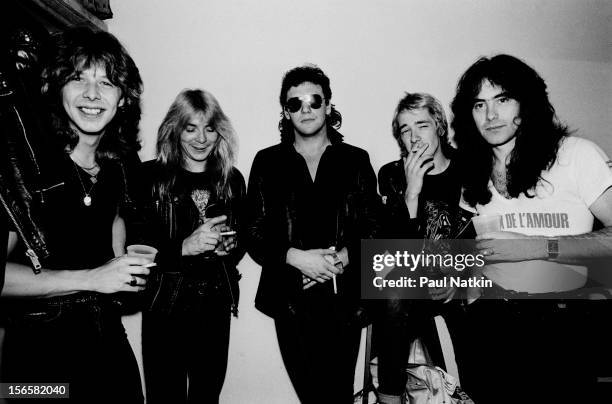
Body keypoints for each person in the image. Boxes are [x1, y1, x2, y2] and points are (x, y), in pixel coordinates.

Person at [451, 54, 612, 403]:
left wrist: (536, 247)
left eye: (502, 100)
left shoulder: (576, 155)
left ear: (527, 102)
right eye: (479, 104)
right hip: (490, 326)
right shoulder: (470, 175)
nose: (491, 115)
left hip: (563, 322)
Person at [1, 27, 146, 403]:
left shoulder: (119, 168)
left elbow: (115, 245)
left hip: (109, 350)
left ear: (123, 99)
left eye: (107, 82)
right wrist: (91, 278)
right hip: (35, 360)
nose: (93, 94)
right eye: (78, 78)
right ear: (55, 88)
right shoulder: (23, 168)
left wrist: (128, 273)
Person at [245, 64, 380, 403]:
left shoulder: (356, 160)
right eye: (295, 103)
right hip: (289, 299)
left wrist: (344, 257)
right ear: (285, 113)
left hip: (344, 296)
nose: (305, 109)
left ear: (328, 106)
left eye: (313, 101)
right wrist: (297, 259)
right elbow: (253, 230)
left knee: (337, 394)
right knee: (311, 396)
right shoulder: (266, 162)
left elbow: (373, 225)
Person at [136, 89, 245, 404]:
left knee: (206, 397)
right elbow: (134, 243)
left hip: (215, 304)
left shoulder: (231, 180)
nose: (201, 138)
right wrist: (183, 246)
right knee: (163, 396)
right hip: (164, 304)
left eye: (209, 128)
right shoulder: (149, 177)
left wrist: (231, 247)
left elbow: (242, 239)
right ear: (175, 129)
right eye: (191, 128)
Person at [375, 92, 471, 404]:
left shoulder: (468, 169)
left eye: (422, 126)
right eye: (405, 130)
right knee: (393, 287)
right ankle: (389, 396)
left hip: (458, 280)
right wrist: (412, 193)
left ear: (440, 127)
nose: (414, 137)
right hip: (410, 280)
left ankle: (463, 392)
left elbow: (481, 235)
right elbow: (392, 252)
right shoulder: (391, 174)